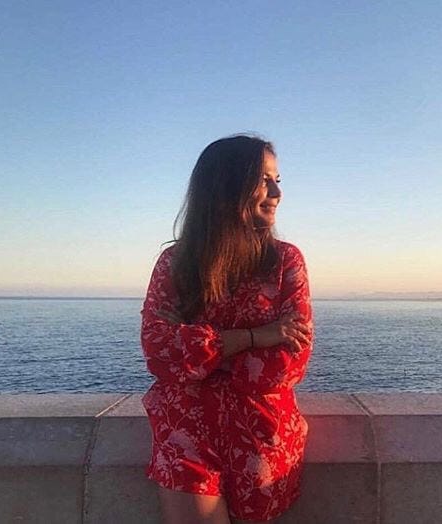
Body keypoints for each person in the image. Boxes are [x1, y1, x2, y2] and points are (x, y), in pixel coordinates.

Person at [140, 134, 314, 523]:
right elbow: (159, 353)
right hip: (186, 430)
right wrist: (257, 336)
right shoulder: (176, 264)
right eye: (263, 179)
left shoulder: (284, 262)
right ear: (225, 186)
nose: (276, 192)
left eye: (277, 180)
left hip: (261, 437)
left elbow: (287, 366)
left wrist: (199, 351)